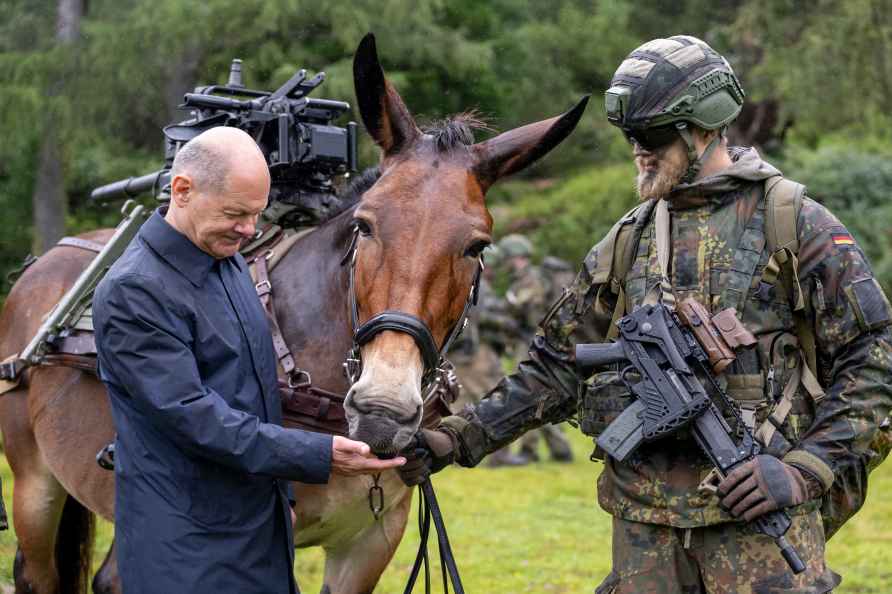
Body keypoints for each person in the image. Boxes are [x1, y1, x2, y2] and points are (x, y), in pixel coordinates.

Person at [398, 35, 892, 593]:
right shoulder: (627, 241)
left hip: (756, 523)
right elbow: (557, 365)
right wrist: (459, 437)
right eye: (631, 136)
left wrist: (805, 470)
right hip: (645, 531)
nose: (640, 149)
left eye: (654, 135)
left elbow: (875, 357)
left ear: (703, 127)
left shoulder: (795, 224)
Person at [93, 127, 404, 594]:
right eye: (235, 214)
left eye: (256, 215)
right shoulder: (134, 291)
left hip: (258, 529)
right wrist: (317, 453)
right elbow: (194, 418)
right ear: (182, 191)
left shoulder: (229, 261)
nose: (248, 229)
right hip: (186, 550)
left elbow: (249, 385)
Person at [500, 234, 574, 464]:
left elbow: (525, 307)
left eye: (508, 258)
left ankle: (531, 449)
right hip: (534, 340)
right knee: (539, 393)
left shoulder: (529, 279)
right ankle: (559, 448)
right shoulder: (525, 278)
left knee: (528, 393)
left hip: (531, 341)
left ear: (516, 257)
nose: (506, 263)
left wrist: (510, 306)